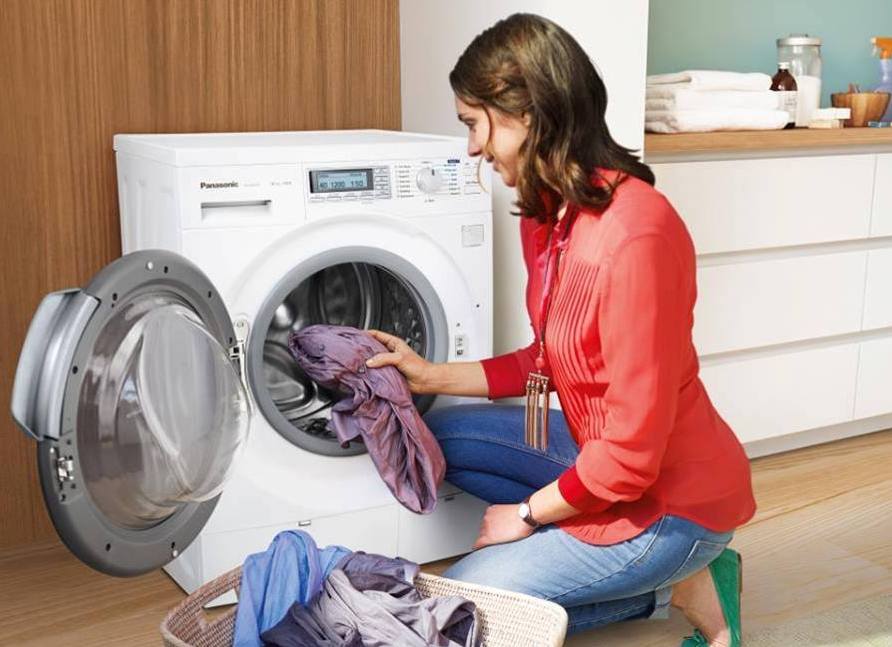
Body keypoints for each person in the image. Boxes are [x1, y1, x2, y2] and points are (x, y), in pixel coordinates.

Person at [365, 13, 755, 647]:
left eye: (473, 124)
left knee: (460, 611)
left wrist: (525, 515)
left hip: (670, 505)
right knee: (434, 437)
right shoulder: (547, 214)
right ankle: (606, 567)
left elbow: (631, 457)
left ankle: (676, 580)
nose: (472, 148)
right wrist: (429, 375)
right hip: (601, 456)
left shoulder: (638, 236)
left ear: (528, 115)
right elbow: (548, 358)